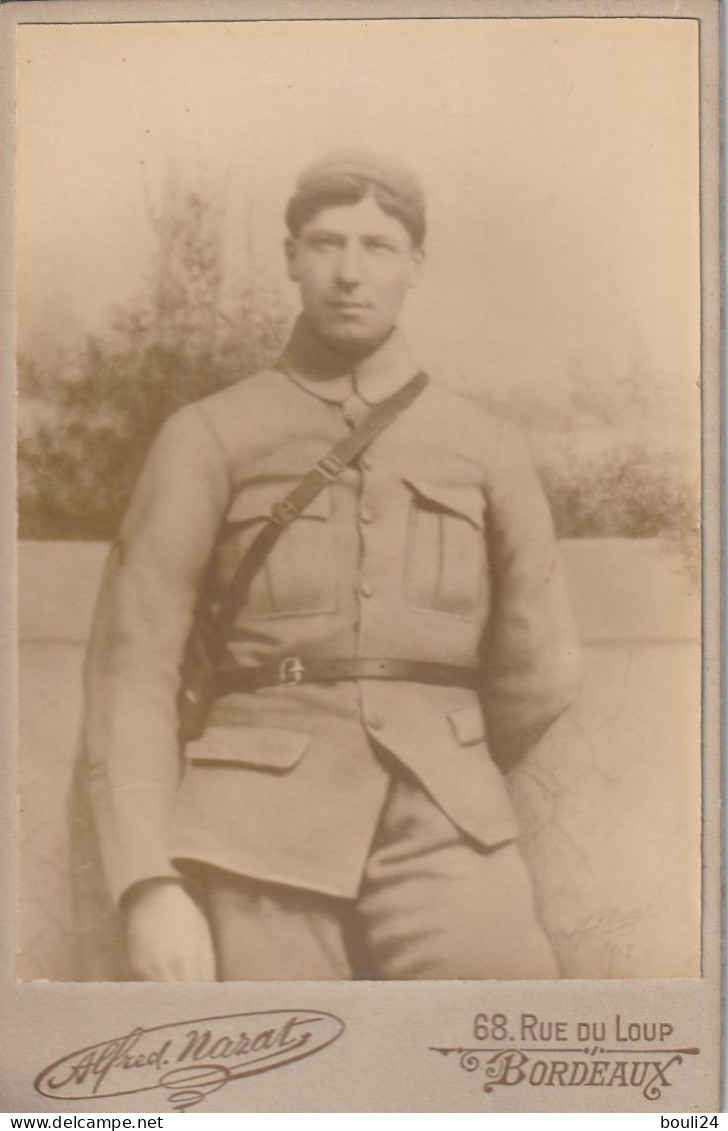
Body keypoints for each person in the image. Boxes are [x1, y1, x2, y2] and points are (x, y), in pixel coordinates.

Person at [82, 149, 582, 982]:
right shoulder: (208, 435)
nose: (350, 273)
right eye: (326, 243)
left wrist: (448, 743)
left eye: (379, 247)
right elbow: (132, 670)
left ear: (415, 264)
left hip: (448, 828)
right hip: (252, 836)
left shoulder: (488, 445)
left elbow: (544, 663)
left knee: (502, 1062)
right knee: (278, 1081)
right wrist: (147, 882)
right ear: (290, 257)